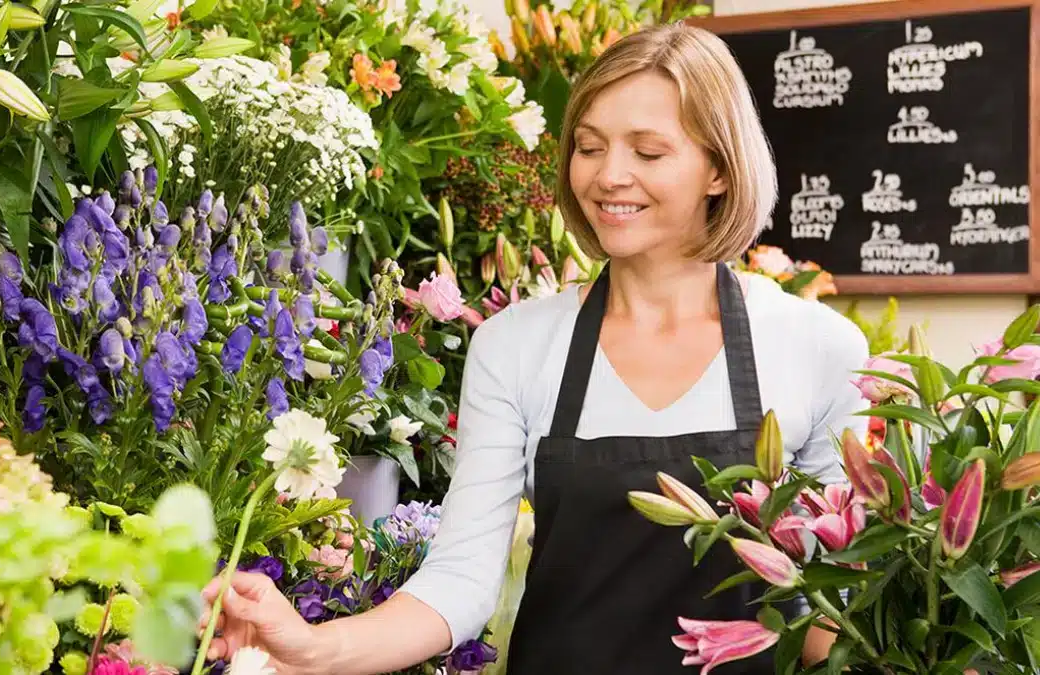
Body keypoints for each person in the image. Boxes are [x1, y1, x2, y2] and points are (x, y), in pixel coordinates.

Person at [199, 23, 869, 674]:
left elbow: (825, 604)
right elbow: (460, 581)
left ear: (719, 169)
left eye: (648, 151)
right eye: (589, 145)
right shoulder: (514, 346)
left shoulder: (816, 348)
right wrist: (309, 648)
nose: (610, 175)